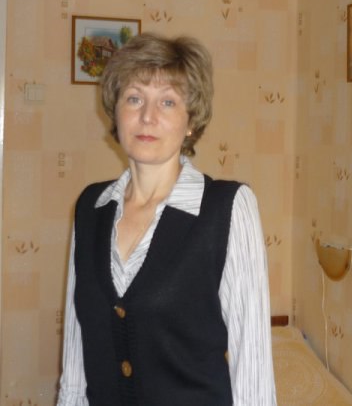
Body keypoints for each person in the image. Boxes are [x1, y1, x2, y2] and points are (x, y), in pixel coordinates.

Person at [57, 32, 277, 406]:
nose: (148, 116)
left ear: (191, 121)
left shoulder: (227, 209)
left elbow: (252, 374)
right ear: (116, 112)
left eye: (168, 102)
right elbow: (76, 363)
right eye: (134, 98)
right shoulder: (90, 207)